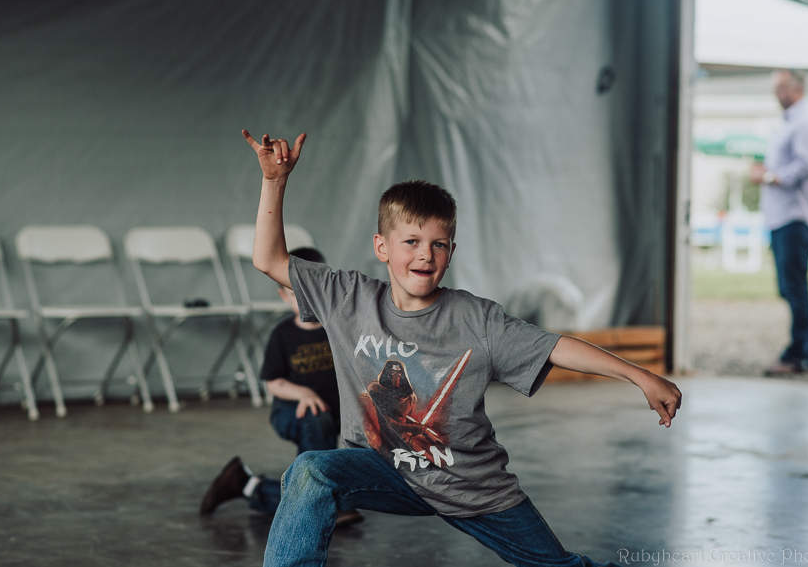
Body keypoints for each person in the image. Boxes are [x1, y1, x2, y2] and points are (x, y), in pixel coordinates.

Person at [242, 129, 682, 567]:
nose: (425, 255)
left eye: (438, 244)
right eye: (411, 242)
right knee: (311, 471)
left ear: (451, 252)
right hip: (386, 471)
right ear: (381, 247)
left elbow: (555, 347)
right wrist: (275, 181)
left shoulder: (476, 319)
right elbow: (269, 260)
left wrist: (639, 375)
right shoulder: (347, 299)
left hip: (470, 485)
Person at [199, 246, 364, 527]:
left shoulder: (338, 329)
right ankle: (325, 499)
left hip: (334, 414)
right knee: (314, 418)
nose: (306, 300)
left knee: (320, 488)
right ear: (283, 296)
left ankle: (250, 486)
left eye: (313, 292)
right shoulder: (283, 334)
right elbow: (273, 382)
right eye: (296, 293)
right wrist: (303, 393)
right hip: (293, 413)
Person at [750, 69, 808, 376]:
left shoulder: (807, 122)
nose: (776, 93)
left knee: (795, 287)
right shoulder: (790, 122)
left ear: (797, 88)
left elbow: (806, 165)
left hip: (797, 216)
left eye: (781, 87)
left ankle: (799, 355)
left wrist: (770, 176)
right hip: (782, 216)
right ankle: (799, 350)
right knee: (788, 287)